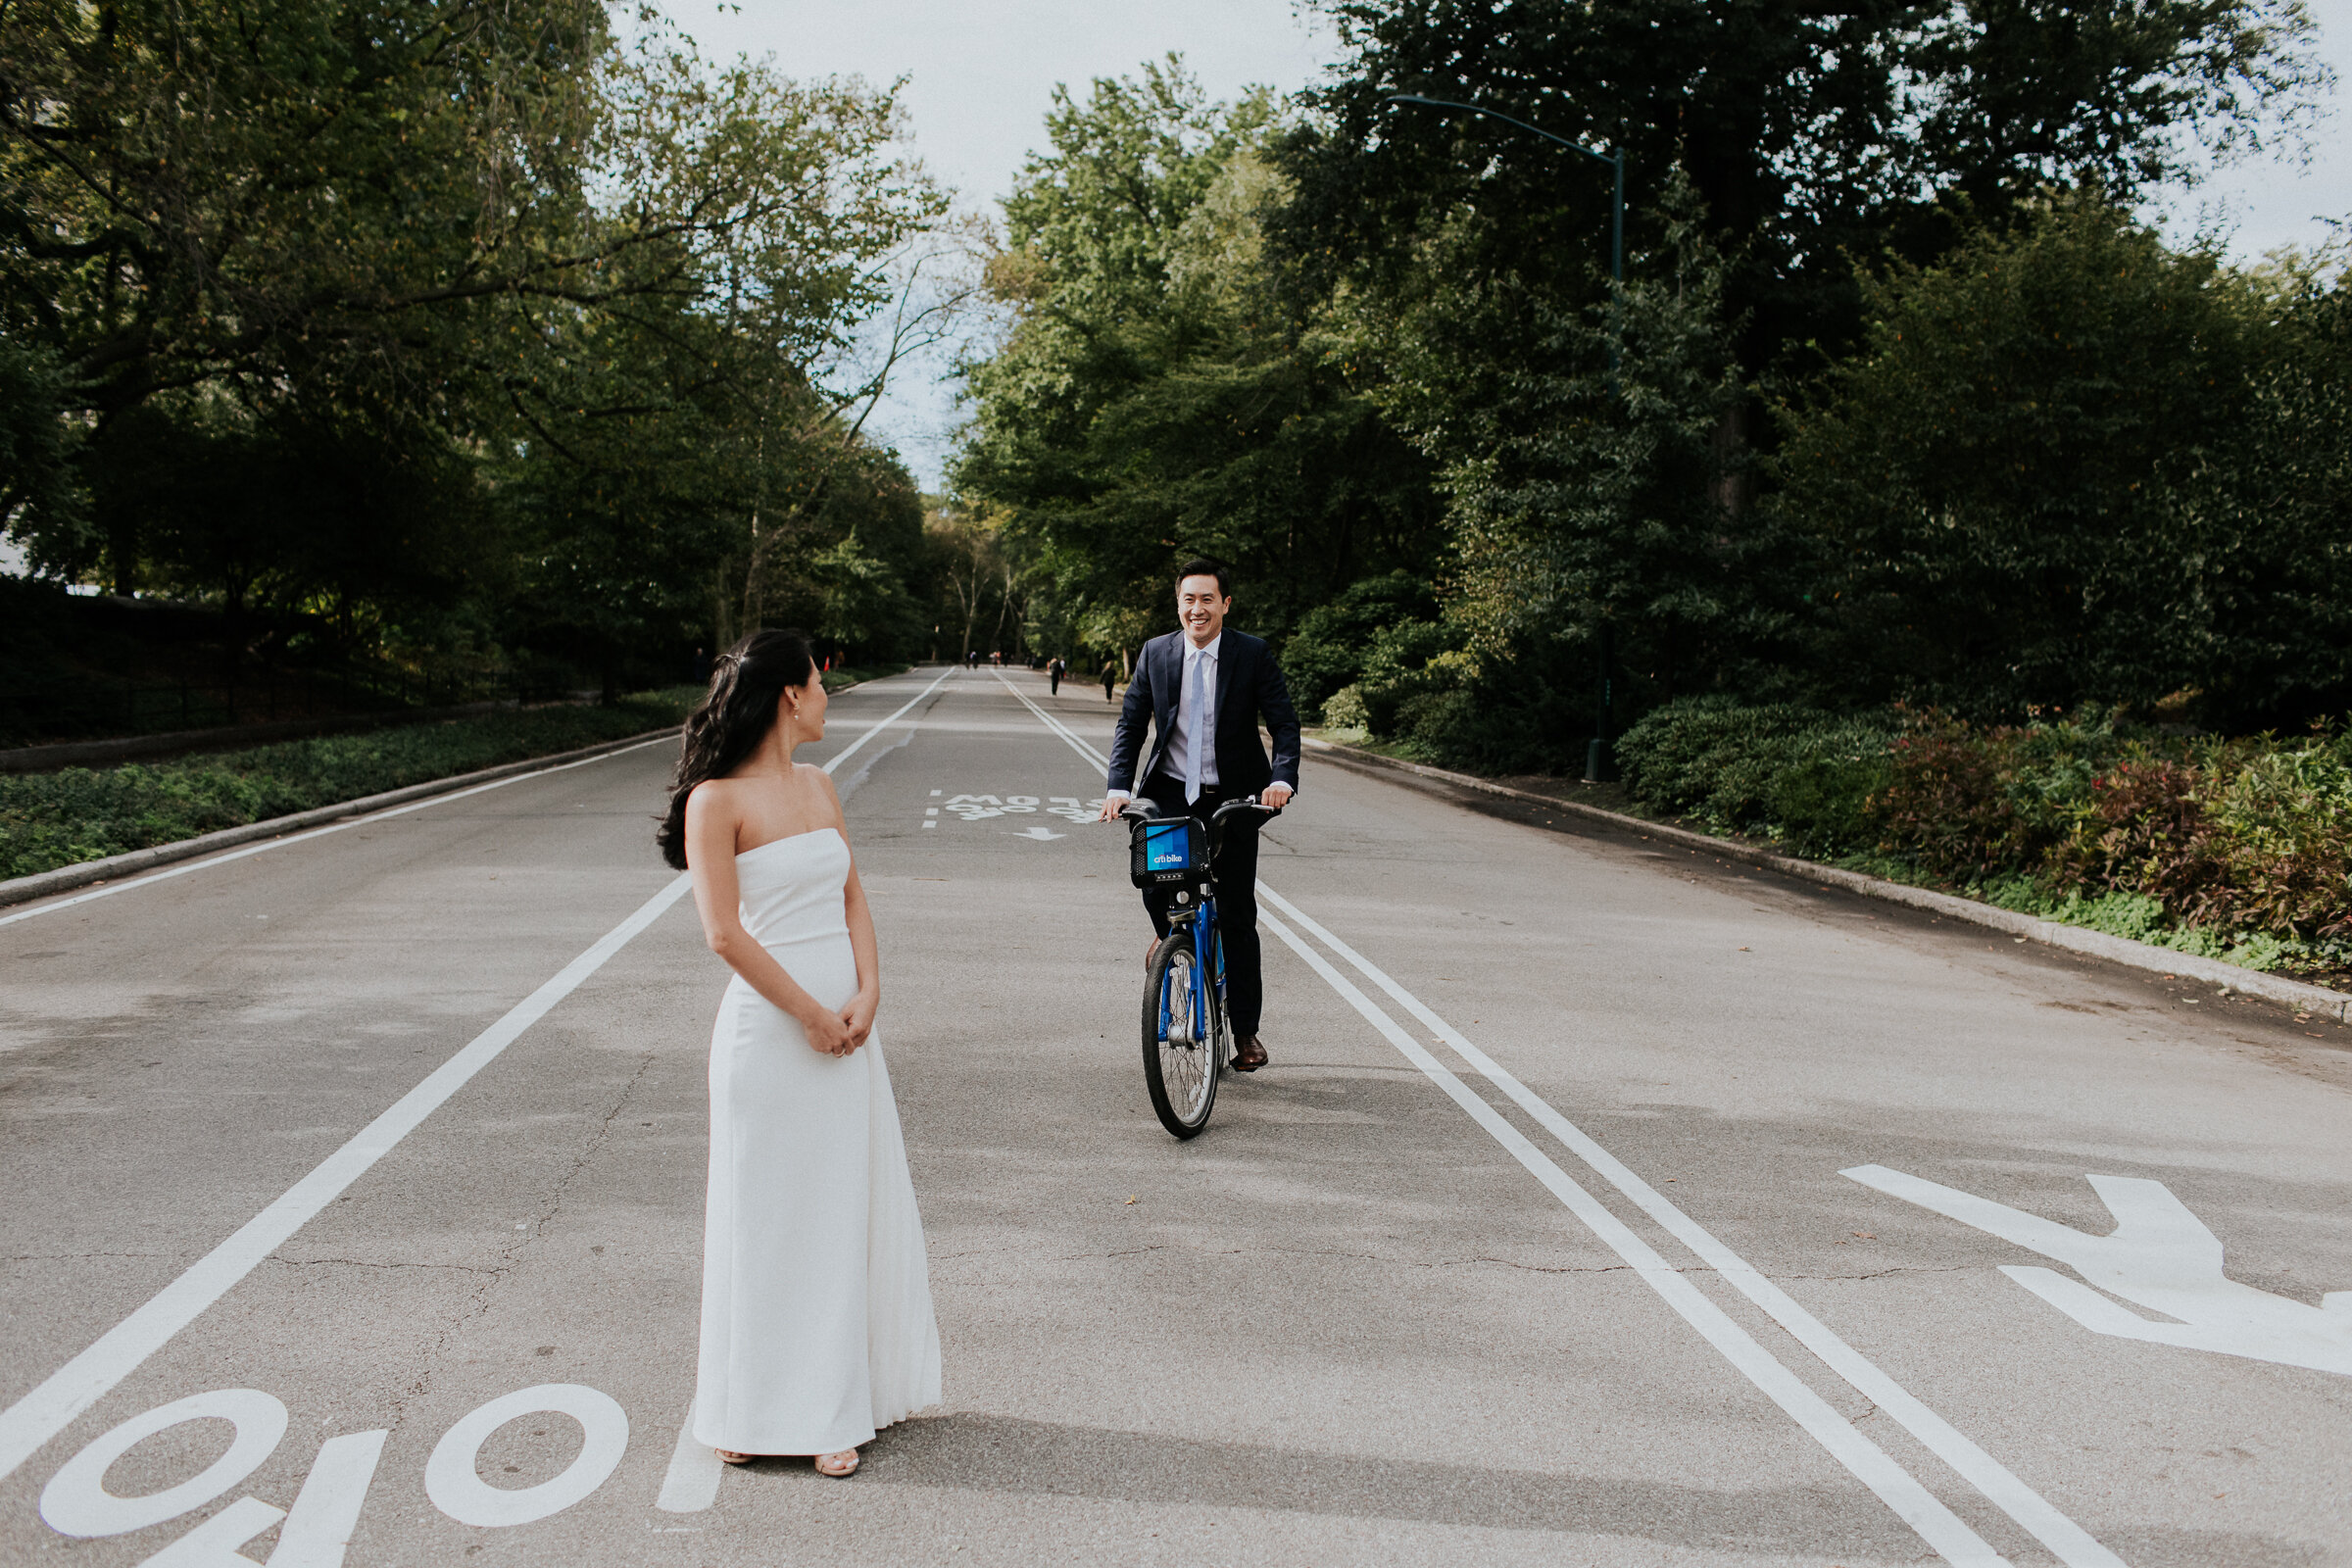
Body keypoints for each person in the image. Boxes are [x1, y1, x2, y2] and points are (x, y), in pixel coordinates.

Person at [659, 629, 941, 1480]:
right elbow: (721, 933)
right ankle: (745, 1407)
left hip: (848, 1025)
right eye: (821, 681)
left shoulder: (820, 785)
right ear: (790, 694)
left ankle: (828, 1410)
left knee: (833, 1214)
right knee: (762, 1221)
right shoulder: (715, 801)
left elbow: (853, 893)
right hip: (770, 1034)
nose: (829, 693)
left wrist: (868, 993)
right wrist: (811, 1013)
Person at [1097, 559, 1300, 1072]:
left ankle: (1245, 1031)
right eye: (1189, 599)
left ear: (1225, 604)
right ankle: (1172, 939)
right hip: (1169, 791)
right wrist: (1119, 787)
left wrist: (1280, 779)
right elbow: (1131, 724)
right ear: (1179, 604)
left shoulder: (1251, 655)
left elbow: (1283, 721)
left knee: (1236, 914)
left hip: (1232, 795)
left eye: (1207, 599)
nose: (1197, 609)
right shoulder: (1156, 653)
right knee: (1151, 879)